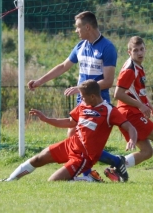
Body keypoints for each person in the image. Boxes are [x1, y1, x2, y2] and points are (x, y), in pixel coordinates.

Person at [28, 11, 128, 181]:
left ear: (87, 27)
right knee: (73, 140)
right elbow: (63, 66)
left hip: (97, 103)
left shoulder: (107, 47)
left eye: (78, 27)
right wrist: (40, 81)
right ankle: (95, 171)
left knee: (85, 144)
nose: (76, 31)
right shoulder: (81, 46)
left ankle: (111, 164)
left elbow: (109, 80)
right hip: (82, 101)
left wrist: (82, 88)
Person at [0, 80, 137, 182]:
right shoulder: (83, 106)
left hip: (83, 157)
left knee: (53, 182)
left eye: (83, 96)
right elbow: (69, 122)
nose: (81, 99)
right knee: (38, 159)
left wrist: (131, 139)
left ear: (93, 96)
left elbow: (130, 127)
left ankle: (89, 179)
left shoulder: (109, 111)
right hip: (70, 144)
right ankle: (9, 180)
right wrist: (46, 119)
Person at [104, 36, 153, 182]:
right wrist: (140, 106)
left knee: (147, 151)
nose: (139, 53)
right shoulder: (130, 70)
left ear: (145, 49)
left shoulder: (138, 67)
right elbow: (118, 94)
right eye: (135, 50)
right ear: (129, 52)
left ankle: (116, 168)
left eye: (142, 49)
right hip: (130, 114)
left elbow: (138, 93)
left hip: (134, 112)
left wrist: (147, 106)